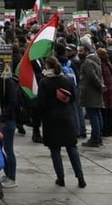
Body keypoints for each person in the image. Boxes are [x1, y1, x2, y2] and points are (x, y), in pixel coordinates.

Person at [37, 57, 86, 189]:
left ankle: (61, 177)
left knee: (55, 150)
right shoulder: (67, 80)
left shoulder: (44, 82)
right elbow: (74, 98)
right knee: (72, 148)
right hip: (67, 117)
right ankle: (80, 177)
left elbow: (41, 103)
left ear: (48, 66)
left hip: (51, 119)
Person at [77, 42, 104, 147]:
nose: (80, 53)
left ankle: (95, 138)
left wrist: (99, 86)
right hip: (95, 91)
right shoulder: (96, 61)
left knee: (93, 115)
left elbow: (92, 77)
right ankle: (98, 136)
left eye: (81, 51)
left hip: (90, 92)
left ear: (87, 50)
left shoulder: (88, 62)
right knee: (97, 114)